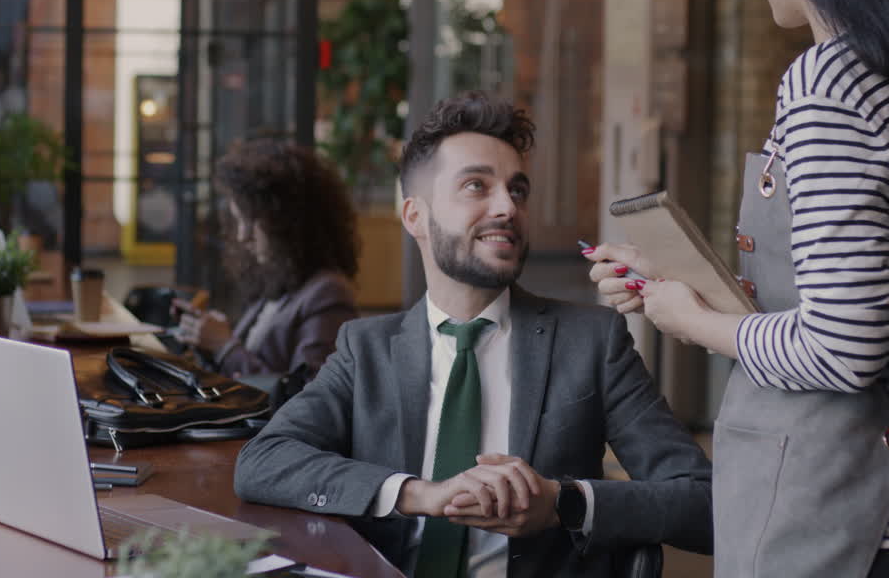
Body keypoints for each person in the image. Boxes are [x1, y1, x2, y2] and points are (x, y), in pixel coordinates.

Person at [585, 0, 889, 577]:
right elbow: (836, 302)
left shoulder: (827, 86)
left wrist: (690, 323)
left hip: (844, 526)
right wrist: (677, 287)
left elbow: (843, 348)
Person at [235, 92, 713, 578]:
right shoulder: (365, 348)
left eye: (517, 190)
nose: (507, 207)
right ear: (415, 216)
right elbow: (263, 462)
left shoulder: (591, 341)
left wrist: (564, 502)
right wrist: (420, 493)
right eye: (476, 186)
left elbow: (704, 502)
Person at [175, 139, 360, 379]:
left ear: (290, 223)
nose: (243, 236)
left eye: (252, 222)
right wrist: (209, 341)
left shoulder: (328, 293)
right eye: (239, 221)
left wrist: (225, 347)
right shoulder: (282, 281)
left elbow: (312, 400)